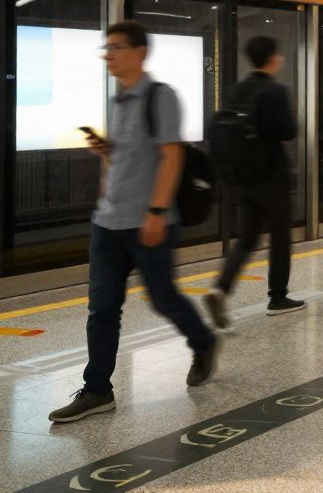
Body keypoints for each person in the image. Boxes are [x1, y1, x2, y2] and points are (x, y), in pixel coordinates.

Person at [50, 21, 220, 424]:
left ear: (140, 52)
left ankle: (204, 341)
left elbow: (171, 157)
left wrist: (157, 212)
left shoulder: (160, 97)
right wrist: (107, 150)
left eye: (116, 48)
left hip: (148, 222)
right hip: (108, 222)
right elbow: (125, 158)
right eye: (105, 48)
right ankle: (97, 389)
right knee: (102, 308)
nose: (108, 55)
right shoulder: (117, 100)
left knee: (163, 299)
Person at [204, 36, 303, 329]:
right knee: (281, 238)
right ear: (273, 58)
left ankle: (220, 288)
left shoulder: (236, 90)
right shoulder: (275, 91)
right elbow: (287, 132)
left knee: (247, 239)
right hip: (272, 178)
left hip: (243, 179)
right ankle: (278, 297)